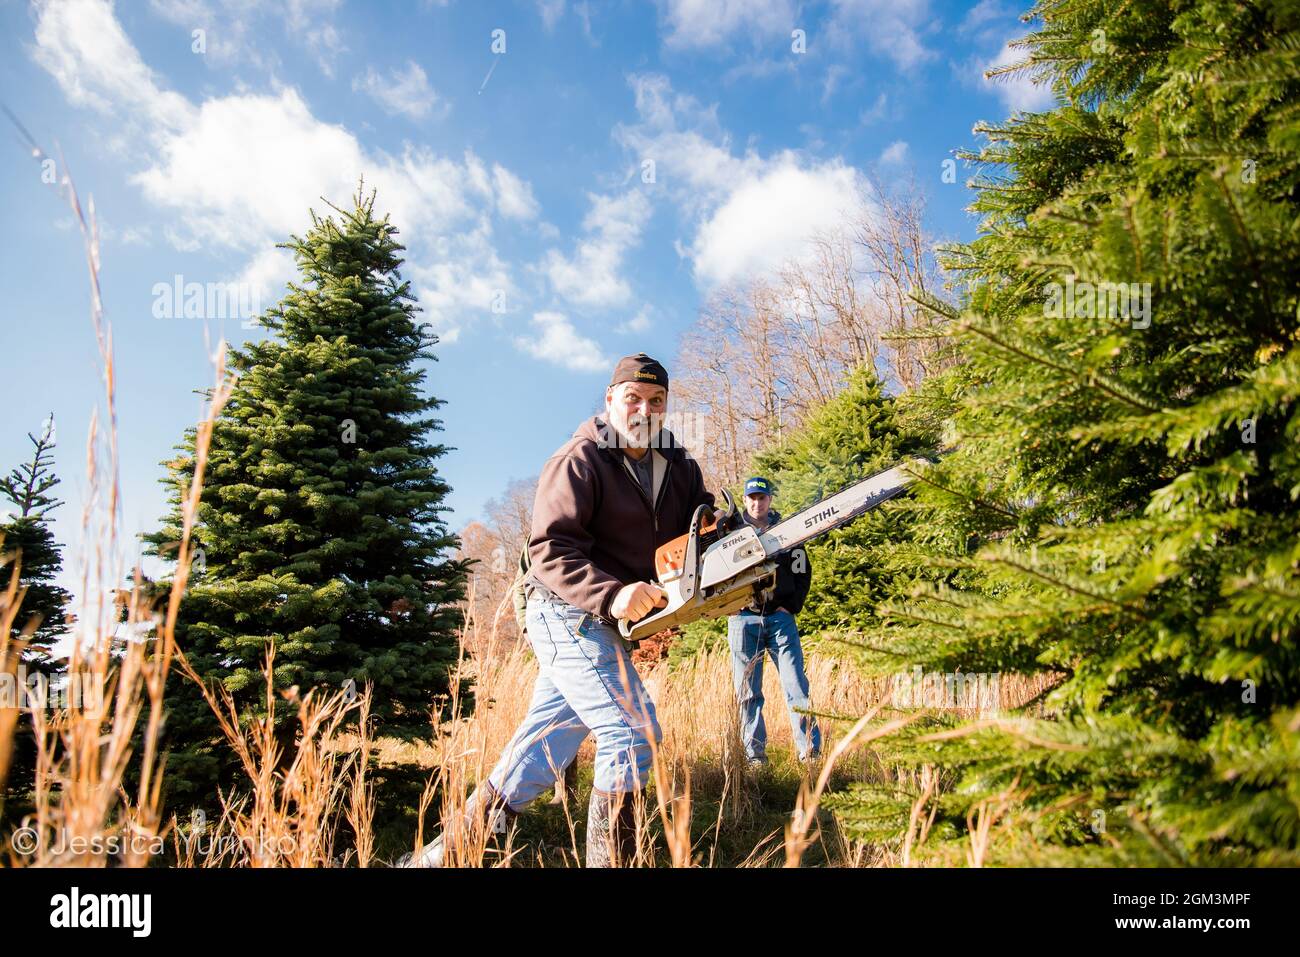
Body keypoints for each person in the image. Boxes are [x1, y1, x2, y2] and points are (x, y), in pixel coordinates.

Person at [404, 353, 715, 867]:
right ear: (611, 399)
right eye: (633, 398)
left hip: (611, 625)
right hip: (563, 608)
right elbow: (549, 551)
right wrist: (614, 593)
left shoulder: (680, 467)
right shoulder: (581, 458)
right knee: (632, 731)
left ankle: (440, 859)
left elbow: (697, 529)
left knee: (540, 750)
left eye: (657, 401)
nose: (645, 409)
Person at [727, 476, 821, 768]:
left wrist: (790, 606)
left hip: (780, 621)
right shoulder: (731, 534)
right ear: (745, 500)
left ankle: (810, 753)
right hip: (744, 619)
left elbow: (802, 571)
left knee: (796, 685)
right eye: (752, 498)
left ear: (770, 500)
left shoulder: (786, 532)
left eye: (762, 498)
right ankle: (755, 758)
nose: (757, 503)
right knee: (748, 692)